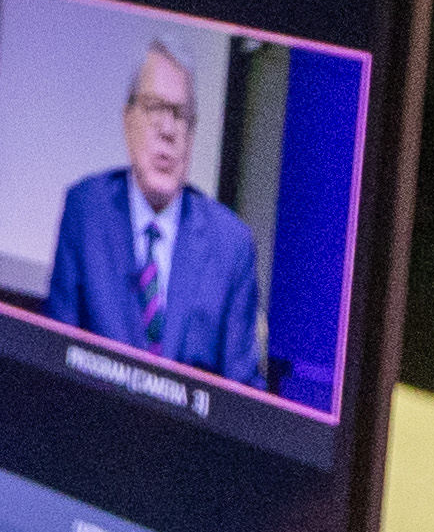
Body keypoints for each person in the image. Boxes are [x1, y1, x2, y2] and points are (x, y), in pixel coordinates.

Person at [41, 36, 271, 381]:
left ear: (192, 134)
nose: (168, 130)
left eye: (181, 115)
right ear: (128, 120)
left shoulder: (231, 244)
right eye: (153, 108)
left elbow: (243, 397)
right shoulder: (85, 211)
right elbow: (54, 361)